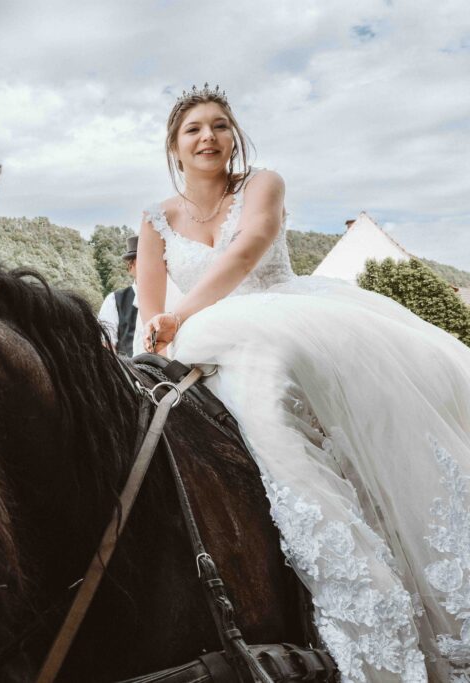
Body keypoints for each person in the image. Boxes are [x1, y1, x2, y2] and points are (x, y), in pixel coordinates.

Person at [136, 84, 470, 682]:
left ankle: (366, 601)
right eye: (194, 129)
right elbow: (148, 304)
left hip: (280, 317)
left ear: (234, 137)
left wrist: (180, 318)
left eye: (219, 125)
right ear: (175, 147)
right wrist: (152, 345)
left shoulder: (262, 184)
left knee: (270, 378)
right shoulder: (156, 219)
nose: (209, 136)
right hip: (203, 339)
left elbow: (245, 254)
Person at [97, 236, 140, 356]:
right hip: (129, 367)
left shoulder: (174, 296)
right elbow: (107, 346)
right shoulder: (114, 300)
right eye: (143, 261)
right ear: (130, 267)